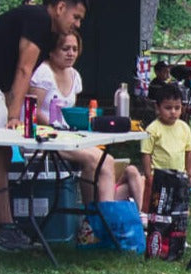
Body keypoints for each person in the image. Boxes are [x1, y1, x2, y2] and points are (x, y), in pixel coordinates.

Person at [0, 0, 89, 251]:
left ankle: (2, 226)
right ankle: (3, 230)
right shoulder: (38, 19)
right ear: (60, 7)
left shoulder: (48, 33)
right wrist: (14, 116)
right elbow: (24, 69)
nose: (77, 24)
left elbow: (20, 77)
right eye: (76, 17)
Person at [32, 28, 145, 209]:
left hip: (67, 135)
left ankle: (94, 218)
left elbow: (69, 112)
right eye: (65, 49)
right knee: (100, 160)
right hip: (44, 136)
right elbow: (33, 111)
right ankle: (101, 217)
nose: (71, 54)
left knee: (101, 162)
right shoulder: (43, 73)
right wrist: (57, 127)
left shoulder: (74, 75)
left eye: (74, 49)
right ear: (52, 51)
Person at [142, 82, 191, 259]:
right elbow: (146, 153)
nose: (173, 112)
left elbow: (189, 151)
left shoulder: (184, 128)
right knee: (159, 209)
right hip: (159, 176)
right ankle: (156, 237)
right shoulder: (153, 129)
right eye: (168, 108)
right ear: (157, 108)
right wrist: (148, 174)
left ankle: (177, 238)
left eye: (177, 108)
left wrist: (189, 173)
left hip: (179, 176)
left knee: (179, 208)